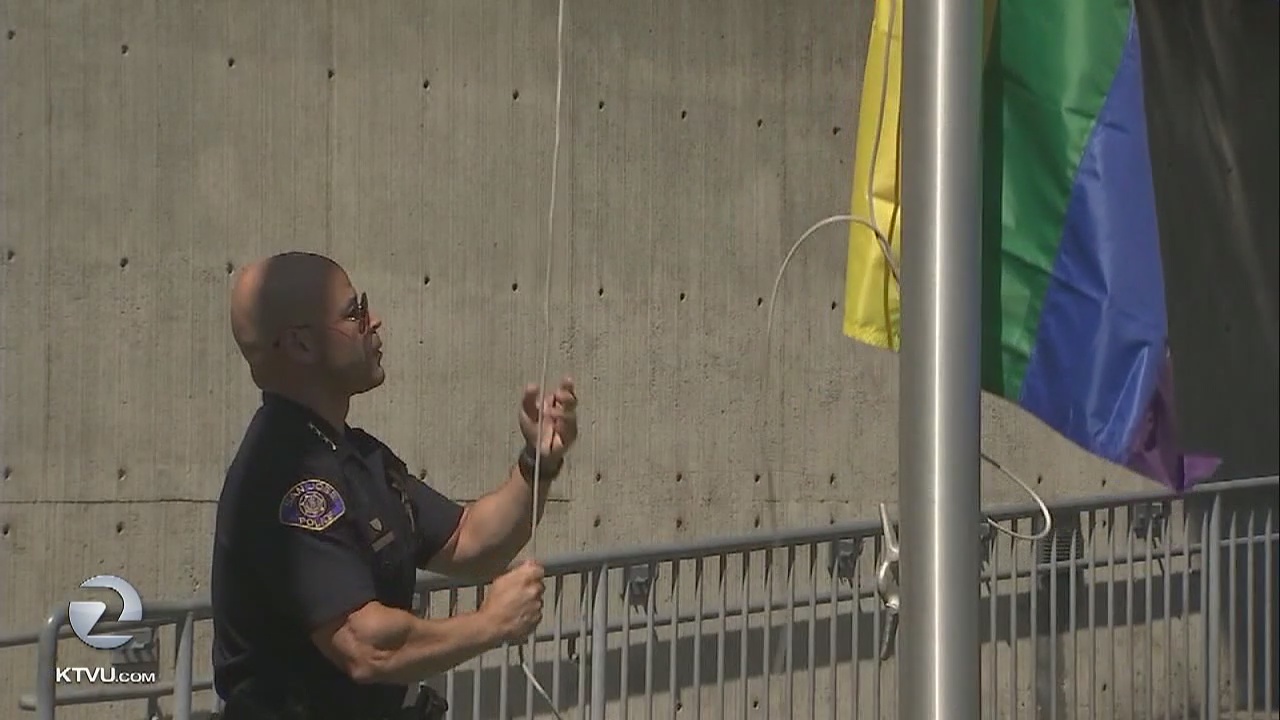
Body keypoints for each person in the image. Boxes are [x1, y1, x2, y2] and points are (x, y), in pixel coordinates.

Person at [210, 251, 579, 720]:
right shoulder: (285, 472)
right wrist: (491, 623)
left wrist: (537, 462)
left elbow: (471, 542)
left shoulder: (355, 455)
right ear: (301, 346)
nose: (374, 320)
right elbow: (366, 646)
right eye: (354, 311)